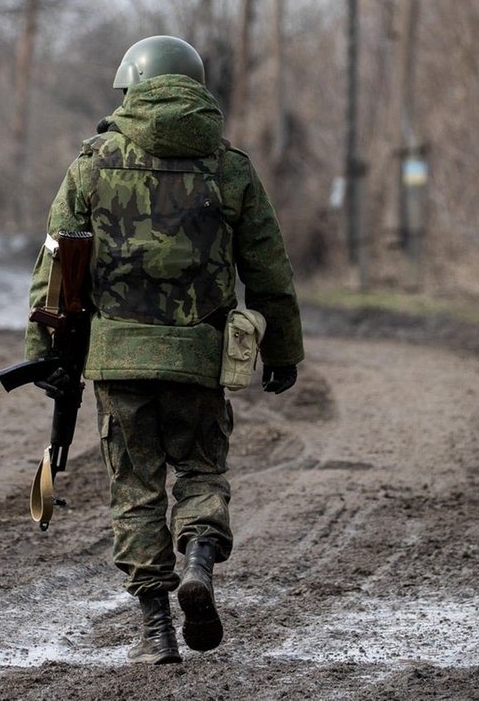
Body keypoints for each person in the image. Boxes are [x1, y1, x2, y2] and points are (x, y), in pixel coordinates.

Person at [24, 35, 304, 664]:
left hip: (119, 359)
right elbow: (268, 269)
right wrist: (282, 351)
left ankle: (156, 629)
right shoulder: (231, 168)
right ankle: (199, 560)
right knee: (202, 470)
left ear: (133, 88)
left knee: (136, 489)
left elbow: (57, 266)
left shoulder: (92, 163)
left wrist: (45, 346)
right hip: (201, 355)